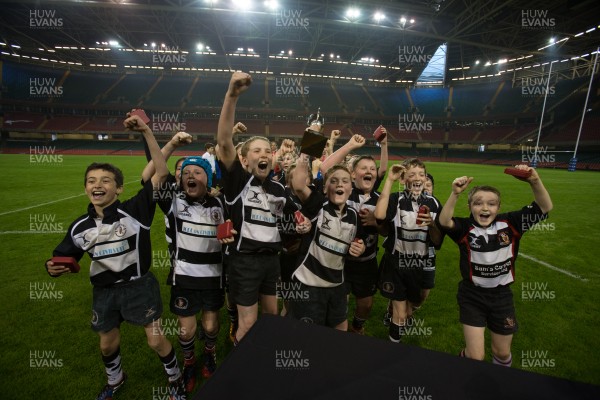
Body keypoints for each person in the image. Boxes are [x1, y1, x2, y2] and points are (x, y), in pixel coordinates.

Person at [45, 113, 186, 400]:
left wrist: (146, 131)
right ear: (85, 187)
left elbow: (160, 174)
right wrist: (52, 268)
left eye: (106, 180)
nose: (97, 185)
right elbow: (61, 256)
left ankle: (175, 378)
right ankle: (115, 379)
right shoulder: (79, 227)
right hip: (104, 292)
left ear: (118, 188)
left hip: (139, 287)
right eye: (91, 181)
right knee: (107, 345)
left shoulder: (135, 211)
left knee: (156, 339)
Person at [216, 71, 309, 344]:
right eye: (256, 151)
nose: (264, 154)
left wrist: (303, 224)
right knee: (248, 324)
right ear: (244, 160)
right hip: (244, 261)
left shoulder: (280, 188)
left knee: (270, 318)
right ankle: (243, 377)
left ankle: (264, 363)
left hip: (273, 261)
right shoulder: (238, 183)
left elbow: (297, 216)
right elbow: (223, 142)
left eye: (267, 150)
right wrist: (231, 95)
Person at [438, 165, 553, 367]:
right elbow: (444, 221)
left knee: (501, 352)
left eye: (491, 204)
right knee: (475, 357)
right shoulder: (465, 228)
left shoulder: (512, 223)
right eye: (478, 203)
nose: (484, 208)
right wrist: (455, 194)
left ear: (498, 208)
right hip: (472, 295)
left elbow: (544, 207)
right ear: (469, 207)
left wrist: (534, 181)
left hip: (501, 296)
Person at [154, 156, 228, 393]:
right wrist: (147, 132)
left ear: (208, 178)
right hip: (184, 278)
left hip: (213, 278)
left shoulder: (222, 203)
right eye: (186, 172)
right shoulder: (173, 202)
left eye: (197, 172)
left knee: (210, 327)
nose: (191, 176)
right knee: (186, 330)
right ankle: (188, 362)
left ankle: (209, 352)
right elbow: (160, 172)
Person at [319, 132, 389, 334]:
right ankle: (336, 329)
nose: (370, 172)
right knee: (340, 303)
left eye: (371, 169)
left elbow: (386, 231)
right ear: (352, 174)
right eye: (363, 168)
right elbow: (325, 170)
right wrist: (349, 146)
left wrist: (376, 224)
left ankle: (357, 327)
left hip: (367, 261)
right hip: (341, 261)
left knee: (366, 304)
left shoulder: (379, 198)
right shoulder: (344, 191)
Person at [289, 160, 366, 330]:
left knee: (340, 327)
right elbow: (299, 186)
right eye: (333, 180)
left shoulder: (354, 216)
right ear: (324, 189)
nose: (340, 184)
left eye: (345, 181)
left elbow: (359, 241)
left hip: (337, 285)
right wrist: (305, 154)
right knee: (308, 334)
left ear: (350, 190)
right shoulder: (318, 206)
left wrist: (360, 248)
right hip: (309, 284)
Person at [374, 159, 443, 343]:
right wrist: (389, 180)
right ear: (404, 179)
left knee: (409, 310)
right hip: (396, 262)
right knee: (401, 315)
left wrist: (432, 224)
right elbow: (379, 216)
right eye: (412, 174)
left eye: (422, 174)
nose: (418, 178)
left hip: (417, 264)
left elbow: (437, 241)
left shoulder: (434, 204)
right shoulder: (397, 200)